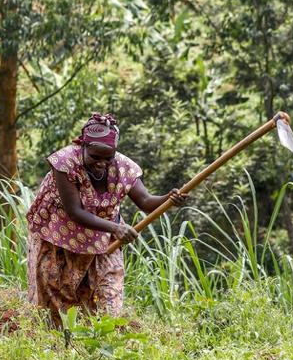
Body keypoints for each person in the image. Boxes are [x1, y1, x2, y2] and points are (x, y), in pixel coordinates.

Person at [26, 113, 186, 323]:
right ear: (82, 146)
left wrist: (169, 198)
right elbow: (75, 211)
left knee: (107, 301)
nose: (102, 163)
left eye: (107, 158)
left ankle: (105, 344)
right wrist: (115, 228)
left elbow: (146, 201)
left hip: (102, 240)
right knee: (58, 303)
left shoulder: (123, 167)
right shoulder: (64, 163)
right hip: (59, 236)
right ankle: (61, 346)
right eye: (95, 157)